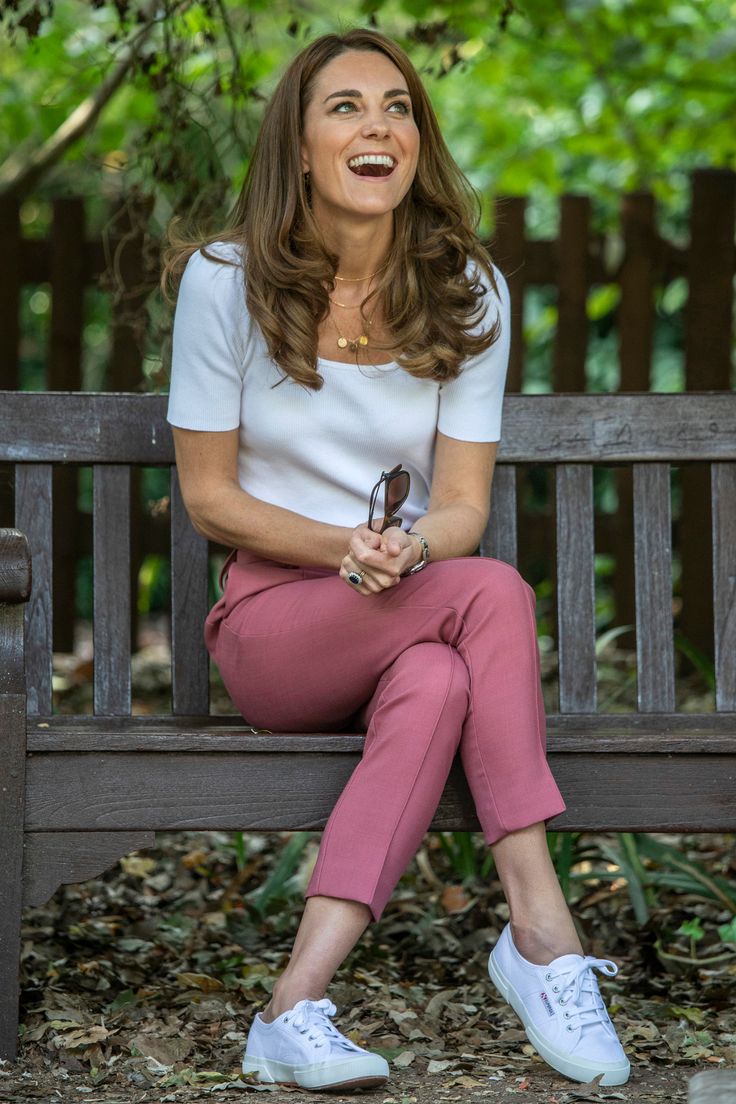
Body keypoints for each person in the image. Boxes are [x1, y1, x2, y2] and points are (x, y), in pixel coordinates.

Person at [162, 27, 630, 1094]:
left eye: (398, 107)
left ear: (416, 141)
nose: (377, 125)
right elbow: (208, 497)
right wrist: (348, 548)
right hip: (277, 629)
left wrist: (410, 547)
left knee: (441, 675)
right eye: (344, 107)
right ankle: (542, 932)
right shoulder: (224, 283)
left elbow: (460, 508)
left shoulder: (464, 289)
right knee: (493, 593)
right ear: (301, 143)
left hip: (413, 610)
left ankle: (293, 1006)